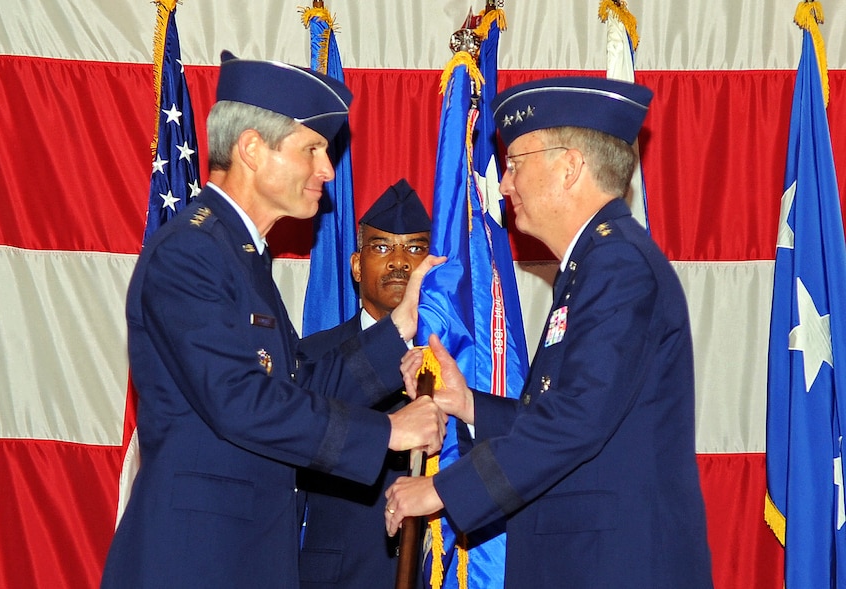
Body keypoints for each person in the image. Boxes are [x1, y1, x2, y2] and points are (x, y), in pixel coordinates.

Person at [101, 52, 447, 588]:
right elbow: (240, 399)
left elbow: (297, 384)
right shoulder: (192, 251)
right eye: (313, 149)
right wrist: (386, 431)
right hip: (197, 562)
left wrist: (397, 329)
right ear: (252, 149)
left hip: (241, 557)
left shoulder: (240, 254)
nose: (328, 170)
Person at [384, 76, 714, 588]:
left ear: (570, 168)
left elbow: (575, 420)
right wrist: (467, 404)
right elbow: (577, 411)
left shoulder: (617, 265)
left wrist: (443, 491)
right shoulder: (594, 263)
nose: (505, 184)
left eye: (516, 163)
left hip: (612, 566)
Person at [297, 179, 432, 588]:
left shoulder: (464, 359)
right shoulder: (313, 357)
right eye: (381, 247)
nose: (398, 262)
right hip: (340, 576)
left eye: (414, 248)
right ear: (356, 265)